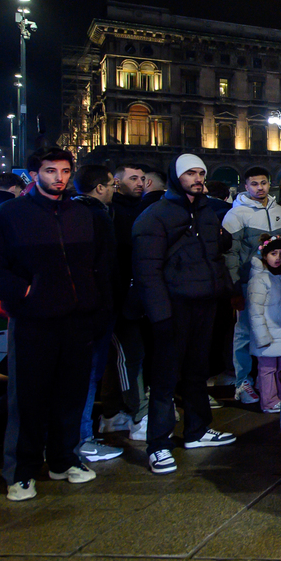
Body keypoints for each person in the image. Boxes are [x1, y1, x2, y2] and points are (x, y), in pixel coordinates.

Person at [0, 148, 114, 501]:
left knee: (72, 396)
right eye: (50, 171)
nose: (58, 178)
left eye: (64, 171)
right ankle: (21, 472)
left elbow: (101, 267)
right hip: (34, 322)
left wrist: (96, 308)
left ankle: (64, 460)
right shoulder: (9, 215)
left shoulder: (83, 214)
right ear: (35, 174)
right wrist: (27, 290)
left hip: (77, 320)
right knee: (29, 399)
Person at [132, 153, 237, 475]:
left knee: (196, 371)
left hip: (203, 303)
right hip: (172, 308)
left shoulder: (205, 211)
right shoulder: (155, 216)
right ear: (177, 177)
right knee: (165, 379)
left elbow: (214, 253)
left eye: (201, 173)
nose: (197, 178)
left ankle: (197, 430)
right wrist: (160, 315)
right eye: (190, 173)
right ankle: (159, 445)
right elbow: (147, 271)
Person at [220, 167, 281, 405]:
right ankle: (243, 382)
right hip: (247, 282)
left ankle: (268, 382)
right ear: (245, 186)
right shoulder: (236, 214)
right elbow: (230, 254)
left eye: (263, 183)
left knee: (273, 331)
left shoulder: (280, 211)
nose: (259, 188)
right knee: (245, 332)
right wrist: (234, 287)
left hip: (277, 283)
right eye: (254, 184)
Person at [69, 164, 124, 463]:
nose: (114, 190)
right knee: (88, 376)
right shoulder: (98, 216)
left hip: (72, 308)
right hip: (95, 309)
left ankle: (70, 437)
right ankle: (82, 439)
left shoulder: (65, 212)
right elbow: (106, 266)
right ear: (100, 187)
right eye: (112, 185)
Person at [102, 163, 149, 441]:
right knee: (128, 356)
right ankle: (137, 414)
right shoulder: (111, 212)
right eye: (134, 178)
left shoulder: (141, 209)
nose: (140, 182)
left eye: (143, 178)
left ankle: (113, 413)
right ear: (117, 182)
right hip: (118, 297)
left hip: (137, 295)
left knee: (123, 357)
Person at [246, 235, 281, 414]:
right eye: (273, 253)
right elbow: (255, 312)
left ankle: (276, 396)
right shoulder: (259, 280)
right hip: (269, 336)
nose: (278, 257)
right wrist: (262, 337)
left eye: (280, 253)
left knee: (277, 367)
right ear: (264, 256)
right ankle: (269, 401)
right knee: (267, 368)